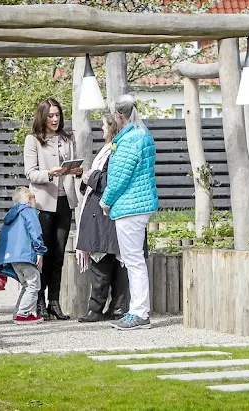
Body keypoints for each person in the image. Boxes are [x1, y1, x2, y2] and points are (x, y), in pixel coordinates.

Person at [100, 94, 158, 331]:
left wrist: (106, 201)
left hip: (130, 206)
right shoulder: (141, 135)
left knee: (133, 261)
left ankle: (139, 312)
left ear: (118, 116)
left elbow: (119, 179)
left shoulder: (128, 139)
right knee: (134, 260)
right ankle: (138, 311)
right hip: (138, 205)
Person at [23, 98, 82, 321]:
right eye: (51, 115)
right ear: (43, 117)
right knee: (42, 255)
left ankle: (54, 302)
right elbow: (31, 172)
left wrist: (75, 171)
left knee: (58, 255)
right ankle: (39, 301)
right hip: (43, 203)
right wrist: (50, 173)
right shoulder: (33, 140)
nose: (55, 119)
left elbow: (72, 166)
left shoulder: (68, 138)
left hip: (64, 202)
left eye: (57, 115)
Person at [76, 110, 129, 323]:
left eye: (104, 126)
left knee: (104, 262)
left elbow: (110, 180)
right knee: (110, 260)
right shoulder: (108, 150)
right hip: (103, 212)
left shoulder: (115, 151)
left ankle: (100, 308)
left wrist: (92, 176)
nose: (101, 129)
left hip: (105, 214)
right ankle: (113, 307)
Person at [0, 187, 47, 325]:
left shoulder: (11, 216)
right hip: (25, 254)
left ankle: (18, 313)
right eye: (34, 197)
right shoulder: (28, 211)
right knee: (34, 284)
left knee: (26, 284)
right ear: (29, 199)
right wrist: (40, 251)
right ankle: (23, 314)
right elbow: (35, 231)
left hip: (13, 257)